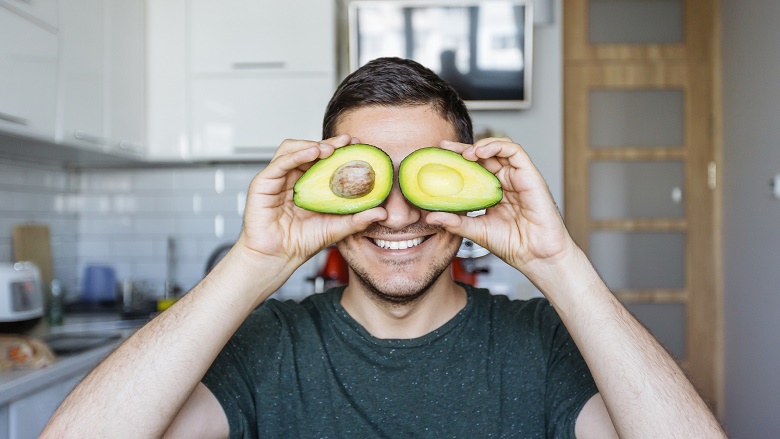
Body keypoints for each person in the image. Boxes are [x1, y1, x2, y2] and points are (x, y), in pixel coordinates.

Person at [42, 57, 725, 438]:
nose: (397, 213)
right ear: (325, 187)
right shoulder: (267, 344)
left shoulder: (540, 343)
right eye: (365, 180)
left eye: (426, 177)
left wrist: (559, 263)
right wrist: (252, 265)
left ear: (471, 189)